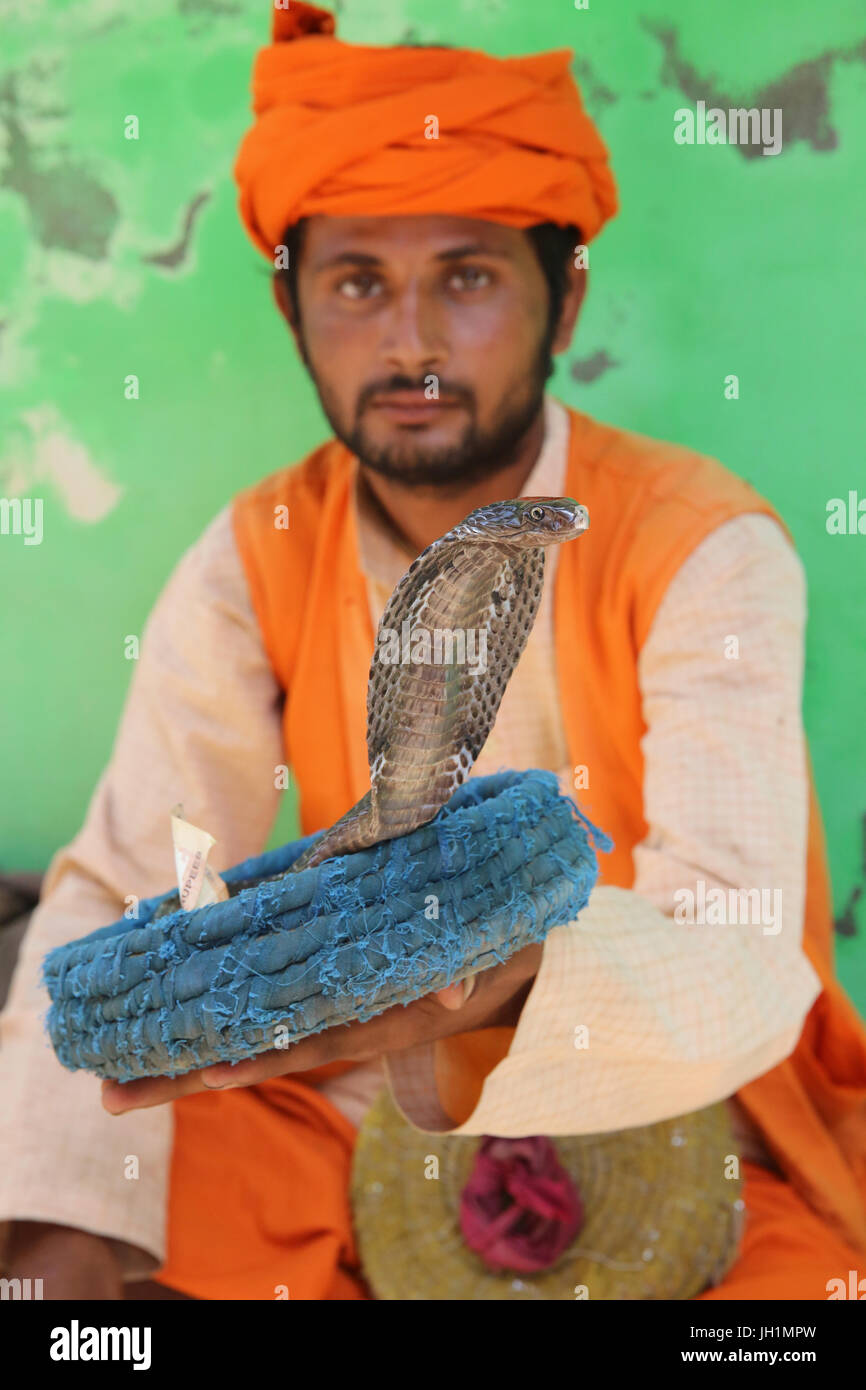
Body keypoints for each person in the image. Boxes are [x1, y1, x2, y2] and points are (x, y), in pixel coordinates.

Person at [2, 2, 865, 1302]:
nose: (407, 343)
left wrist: (497, 985)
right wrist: (58, 1225)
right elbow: (136, 870)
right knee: (107, 1195)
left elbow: (738, 936)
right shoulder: (256, 551)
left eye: (464, 276)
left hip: (679, 1093)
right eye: (357, 282)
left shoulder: (698, 541)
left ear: (560, 297)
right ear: (293, 305)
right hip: (346, 1096)